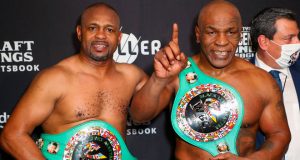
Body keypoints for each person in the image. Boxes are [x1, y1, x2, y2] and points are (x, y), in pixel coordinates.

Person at [130, 0, 291, 159]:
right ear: (198, 34)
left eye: (230, 32)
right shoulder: (177, 74)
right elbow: (139, 116)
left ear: (240, 34)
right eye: (212, 32)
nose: (221, 42)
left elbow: (279, 134)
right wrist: (159, 79)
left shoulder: (261, 81)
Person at [0, 2, 147, 160]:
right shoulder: (54, 79)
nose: (101, 35)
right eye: (92, 27)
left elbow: (150, 109)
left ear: (118, 37)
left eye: (109, 29)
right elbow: (12, 135)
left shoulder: (132, 75)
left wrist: (161, 79)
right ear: (79, 32)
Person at [250, 7, 300, 159]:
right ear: (264, 42)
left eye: (298, 36)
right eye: (288, 38)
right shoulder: (240, 79)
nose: (297, 43)